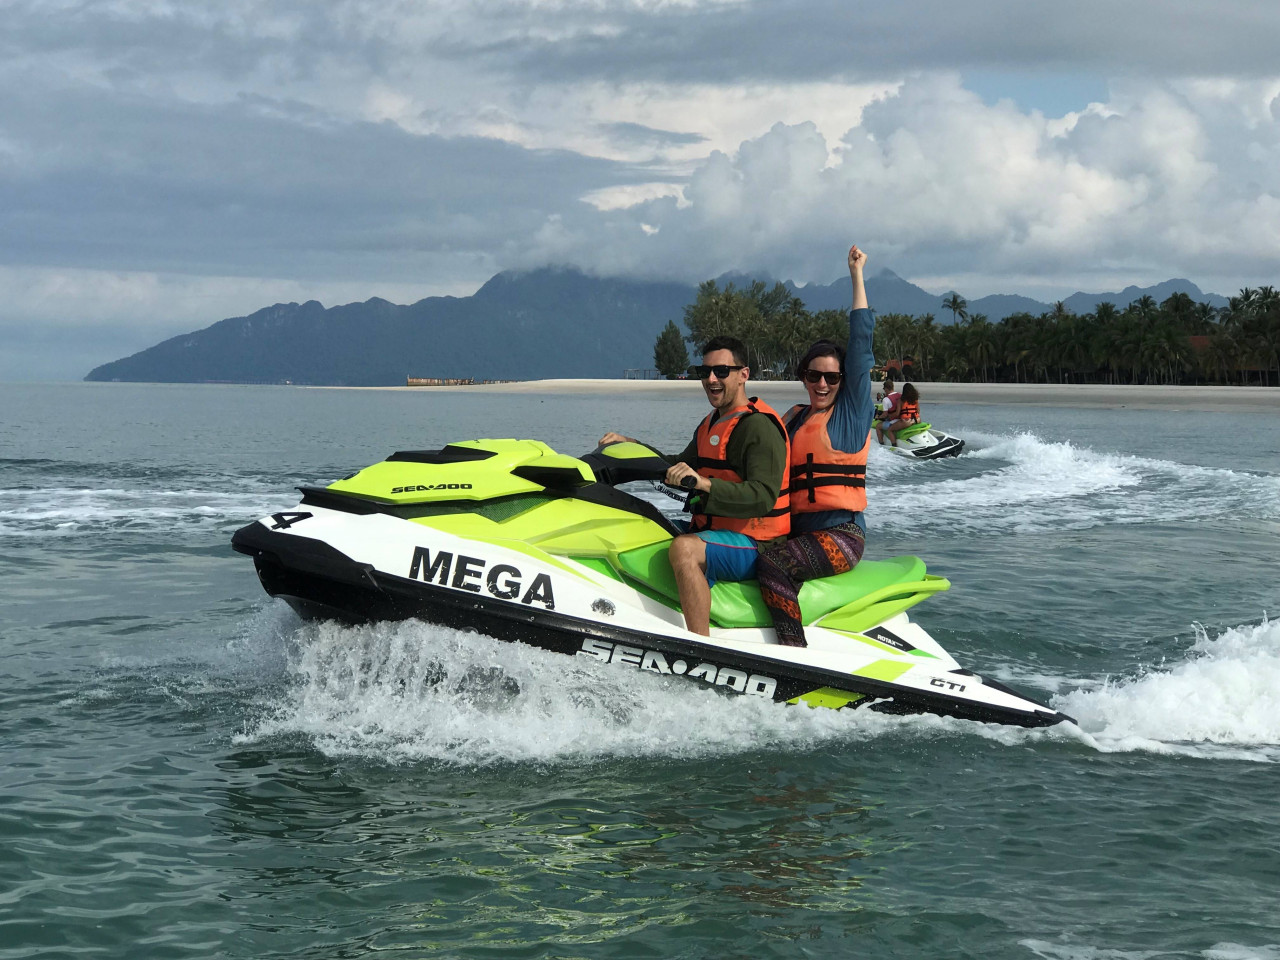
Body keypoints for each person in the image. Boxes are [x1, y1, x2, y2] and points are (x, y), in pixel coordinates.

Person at [599, 336, 790, 636]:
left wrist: (704, 483)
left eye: (721, 371)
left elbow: (763, 497)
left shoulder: (760, 428)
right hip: (713, 530)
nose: (711, 379)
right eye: (705, 372)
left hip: (759, 544)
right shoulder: (711, 422)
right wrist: (633, 445)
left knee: (684, 550)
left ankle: (701, 647)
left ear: (743, 375)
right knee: (639, 524)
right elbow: (676, 465)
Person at [754, 243, 875, 648]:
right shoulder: (791, 419)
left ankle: (792, 655)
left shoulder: (850, 415)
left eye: (832, 378)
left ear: (843, 382)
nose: (822, 384)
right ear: (803, 376)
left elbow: (860, 347)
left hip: (841, 534)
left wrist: (856, 275)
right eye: (814, 375)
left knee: (773, 563)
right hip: (793, 530)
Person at [875, 382, 920, 447]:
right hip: (917, 419)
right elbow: (918, 411)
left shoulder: (901, 400)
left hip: (906, 421)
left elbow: (897, 414)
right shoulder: (915, 399)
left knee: (890, 429)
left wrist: (886, 416)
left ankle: (892, 446)